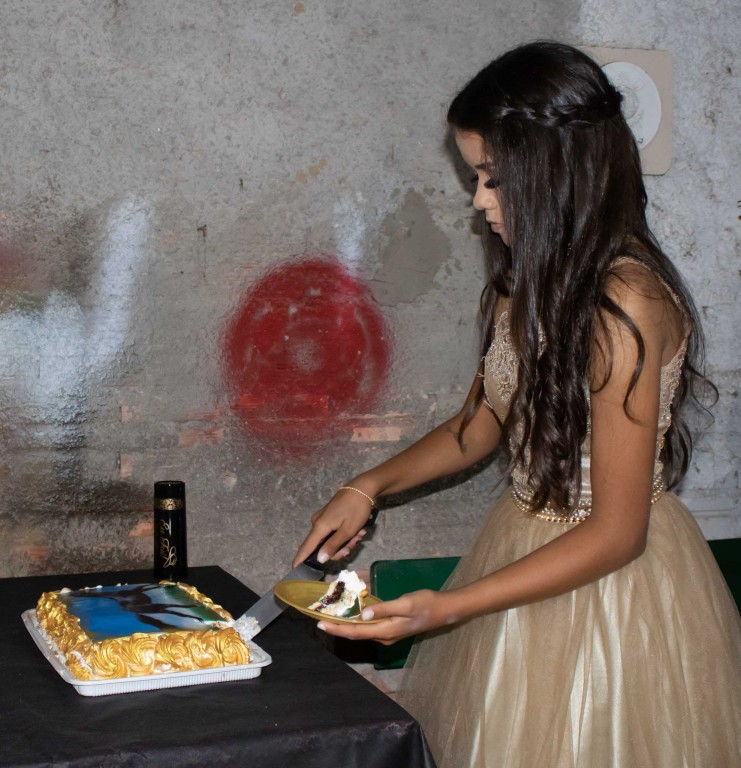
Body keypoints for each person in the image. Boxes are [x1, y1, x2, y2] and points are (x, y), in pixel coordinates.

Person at [292, 41, 741, 767]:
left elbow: (617, 532)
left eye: (493, 179)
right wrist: (365, 486)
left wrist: (444, 607)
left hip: (612, 587)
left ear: (556, 172)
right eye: (476, 177)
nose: (478, 200)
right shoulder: (528, 279)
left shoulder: (626, 303)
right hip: (523, 546)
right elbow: (478, 428)